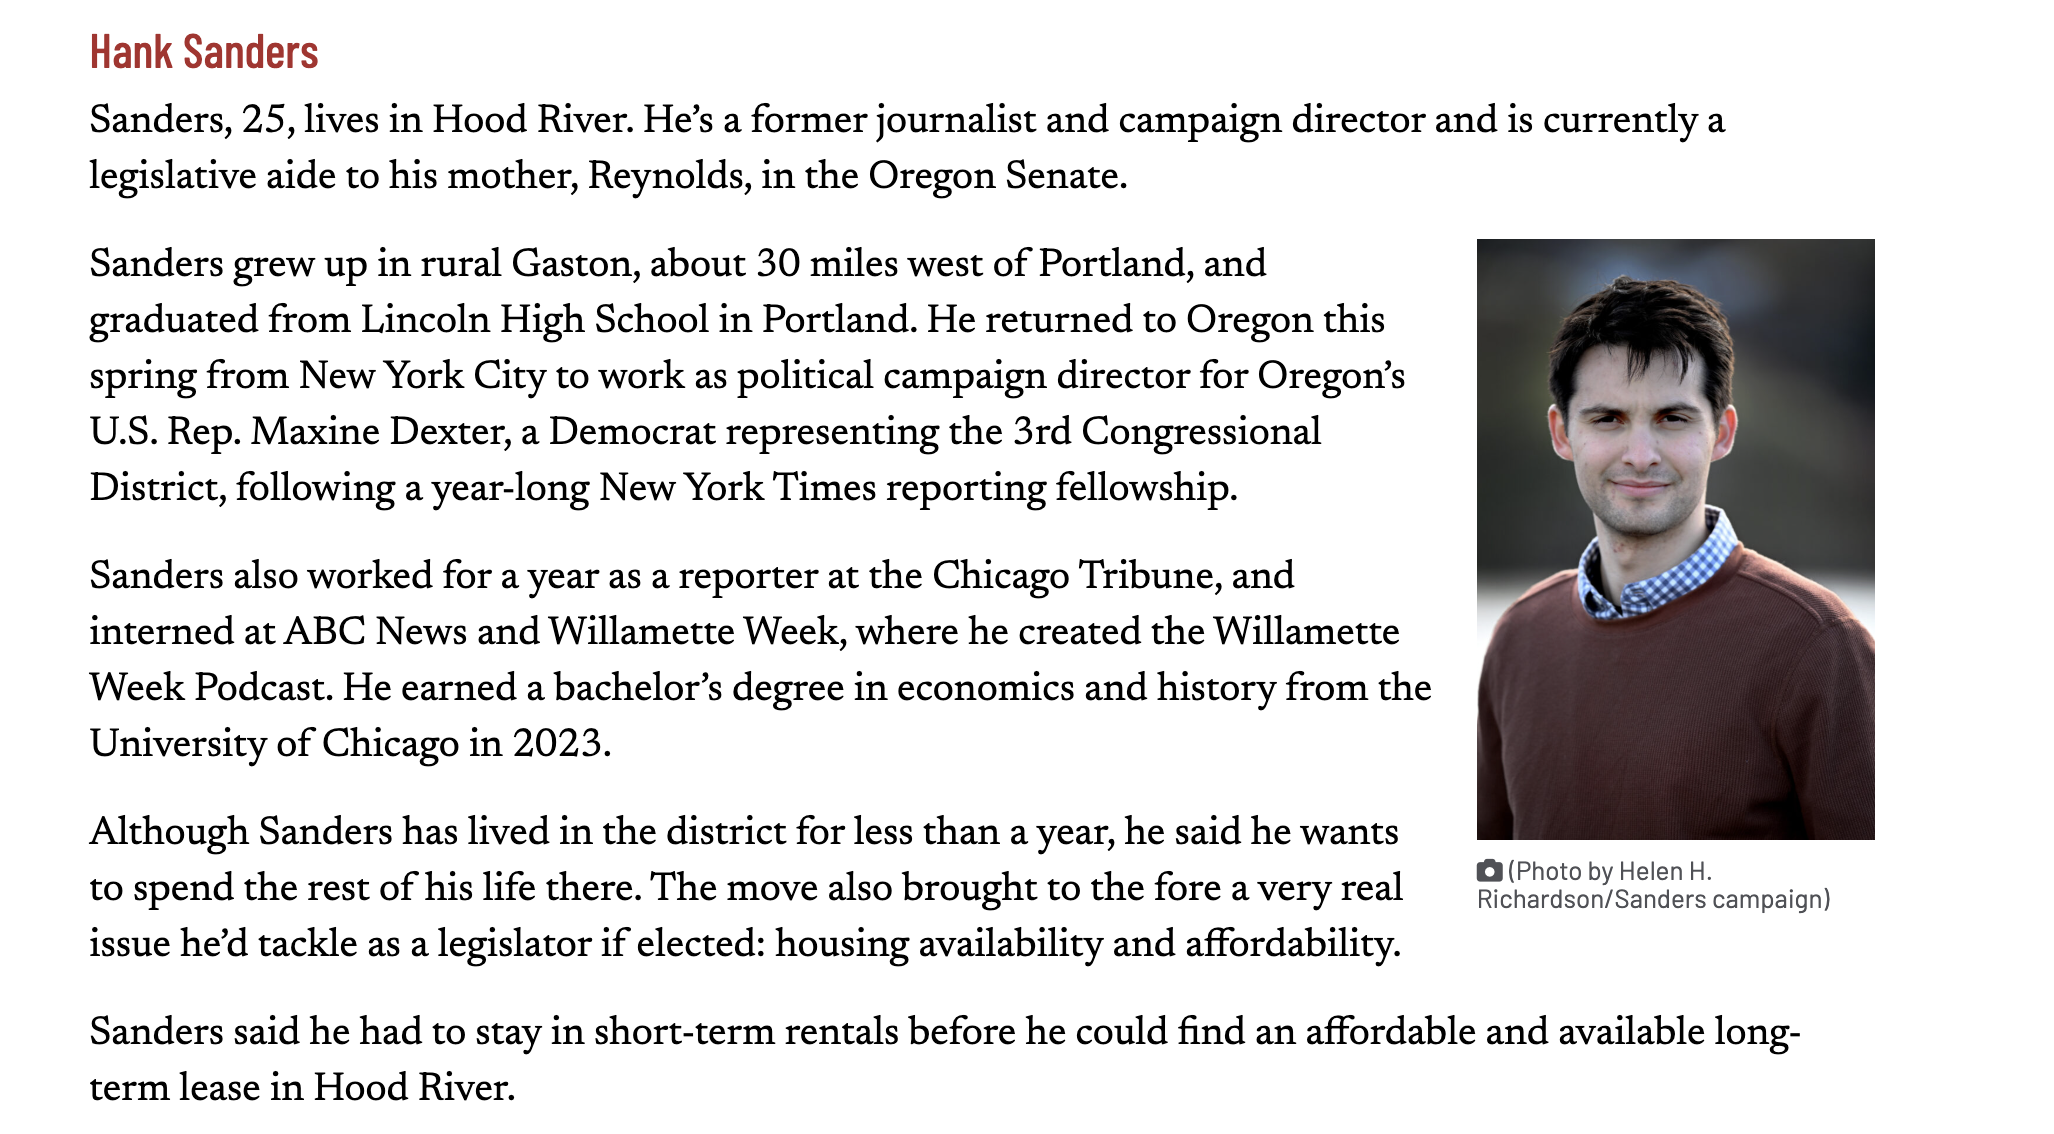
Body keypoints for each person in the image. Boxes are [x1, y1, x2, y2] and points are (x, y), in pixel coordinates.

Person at [1478, 276, 1873, 839]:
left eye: (1673, 418)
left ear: (1722, 433)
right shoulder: (1520, 636)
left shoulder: (1820, 644)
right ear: (1561, 433)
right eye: (1608, 418)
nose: (1640, 456)